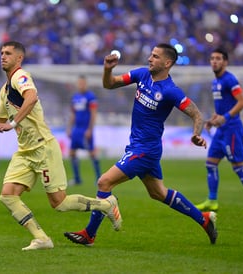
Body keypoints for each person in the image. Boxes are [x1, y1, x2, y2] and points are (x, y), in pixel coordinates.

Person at [0, 41, 121, 251]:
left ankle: (107, 205)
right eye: (1, 53)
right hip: (25, 151)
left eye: (8, 53)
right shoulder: (4, 90)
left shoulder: (20, 76)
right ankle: (42, 239)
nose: (3, 56)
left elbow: (32, 97)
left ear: (19, 58)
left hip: (43, 147)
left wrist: (13, 123)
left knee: (59, 203)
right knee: (8, 195)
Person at [64, 43, 218, 247]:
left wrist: (196, 134)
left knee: (104, 182)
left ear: (167, 62)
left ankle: (89, 234)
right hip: (142, 147)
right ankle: (204, 219)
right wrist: (108, 69)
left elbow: (196, 114)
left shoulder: (171, 91)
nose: (150, 58)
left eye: (155, 56)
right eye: (151, 54)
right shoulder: (142, 75)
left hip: (144, 150)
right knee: (158, 193)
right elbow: (110, 84)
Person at [195, 48, 243, 214]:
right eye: (212, 58)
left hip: (232, 129)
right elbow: (223, 106)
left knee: (238, 167)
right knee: (210, 164)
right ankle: (212, 200)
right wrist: (214, 120)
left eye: (218, 58)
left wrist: (225, 117)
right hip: (220, 129)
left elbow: (242, 102)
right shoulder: (215, 82)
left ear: (225, 62)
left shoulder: (230, 80)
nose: (214, 61)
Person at [67, 75, 101, 185]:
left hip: (85, 129)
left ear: (86, 84)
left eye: (83, 83)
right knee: (72, 153)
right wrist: (69, 128)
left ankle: (98, 178)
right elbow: (73, 114)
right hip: (76, 129)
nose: (81, 85)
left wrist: (90, 129)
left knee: (92, 153)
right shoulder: (75, 97)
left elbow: (93, 114)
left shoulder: (90, 97)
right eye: (79, 83)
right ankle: (77, 179)